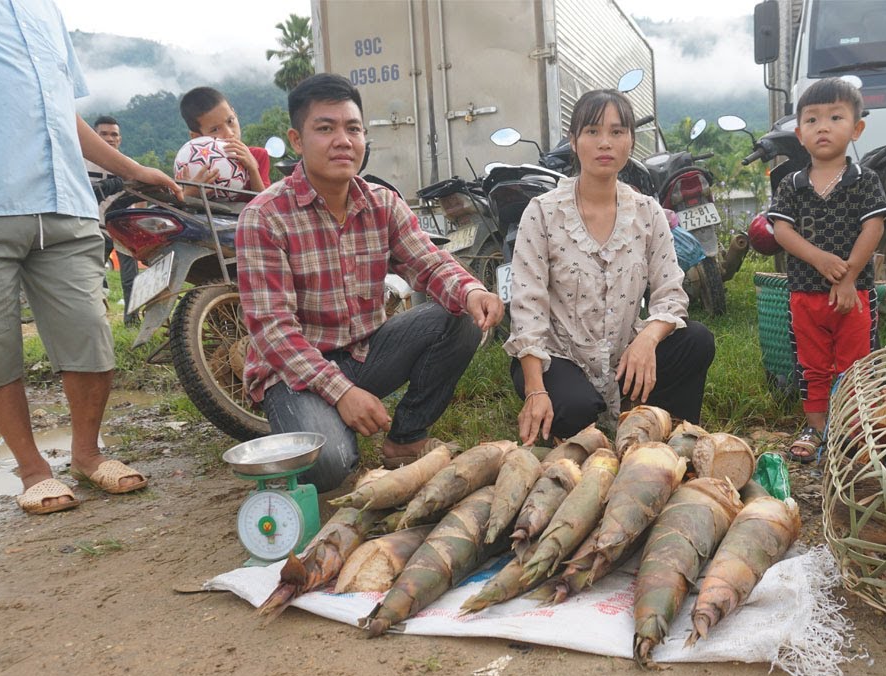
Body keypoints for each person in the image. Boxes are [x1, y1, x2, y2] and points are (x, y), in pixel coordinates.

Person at [0, 0, 183, 514]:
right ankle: (33, 470)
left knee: (88, 329)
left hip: (65, 203)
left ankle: (87, 454)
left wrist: (130, 169)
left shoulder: (45, 9)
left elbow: (62, 112)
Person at [236, 73, 504, 493]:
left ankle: (406, 438)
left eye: (353, 129)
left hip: (364, 353)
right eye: (326, 128)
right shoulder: (264, 217)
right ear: (297, 140)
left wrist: (472, 291)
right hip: (292, 371)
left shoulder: (382, 203)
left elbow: (429, 262)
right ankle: (316, 421)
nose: (343, 141)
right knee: (328, 466)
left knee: (458, 316)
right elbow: (274, 330)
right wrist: (342, 394)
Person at [504, 88, 716, 446]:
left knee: (696, 341)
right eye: (593, 131)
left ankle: (661, 435)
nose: (605, 143)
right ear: (574, 141)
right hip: (558, 356)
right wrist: (535, 390)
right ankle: (577, 416)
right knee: (575, 410)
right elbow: (527, 307)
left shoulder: (647, 212)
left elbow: (670, 294)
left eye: (617, 132)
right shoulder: (543, 212)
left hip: (624, 355)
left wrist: (647, 339)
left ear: (630, 141)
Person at [765, 77, 886, 463]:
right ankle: (817, 427)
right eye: (812, 119)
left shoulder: (864, 181)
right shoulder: (792, 184)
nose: (823, 127)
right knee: (812, 364)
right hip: (805, 294)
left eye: (836, 118)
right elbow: (782, 230)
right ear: (800, 134)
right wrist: (819, 259)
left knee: (855, 364)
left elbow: (873, 228)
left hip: (854, 295)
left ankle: (854, 429)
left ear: (856, 129)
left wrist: (849, 277)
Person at [87, 114, 139, 324]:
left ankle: (132, 320)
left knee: (131, 278)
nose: (109, 138)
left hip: (122, 229)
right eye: (104, 134)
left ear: (120, 139)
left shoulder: (130, 166)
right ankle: (94, 321)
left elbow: (141, 196)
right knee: (90, 277)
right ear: (93, 136)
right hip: (93, 228)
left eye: (114, 134)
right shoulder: (80, 163)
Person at [177, 86, 272, 196]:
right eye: (215, 130)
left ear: (235, 114)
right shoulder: (191, 165)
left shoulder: (258, 155)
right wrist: (189, 194)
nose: (229, 133)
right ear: (197, 137)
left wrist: (253, 170)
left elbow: (266, 202)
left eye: (230, 121)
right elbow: (180, 202)